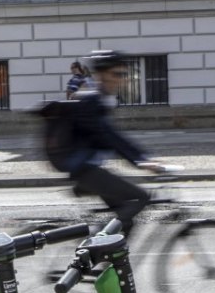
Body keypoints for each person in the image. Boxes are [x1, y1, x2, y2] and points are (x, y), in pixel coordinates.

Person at [62, 51, 165, 233]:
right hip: (86, 171)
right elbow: (109, 137)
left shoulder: (98, 99)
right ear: (101, 75)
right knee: (140, 198)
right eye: (116, 74)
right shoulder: (91, 100)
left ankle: (108, 255)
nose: (121, 79)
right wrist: (141, 161)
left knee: (125, 221)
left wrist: (142, 158)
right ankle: (92, 251)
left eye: (123, 74)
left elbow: (113, 136)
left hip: (89, 169)